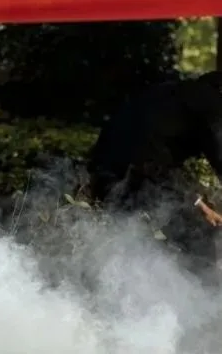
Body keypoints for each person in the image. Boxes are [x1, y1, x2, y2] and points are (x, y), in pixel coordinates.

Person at [87, 71, 222, 285]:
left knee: (130, 240)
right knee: (199, 233)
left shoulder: (175, 94)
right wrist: (194, 203)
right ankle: (205, 296)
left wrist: (197, 202)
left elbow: (159, 157)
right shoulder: (209, 104)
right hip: (135, 174)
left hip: (104, 170)